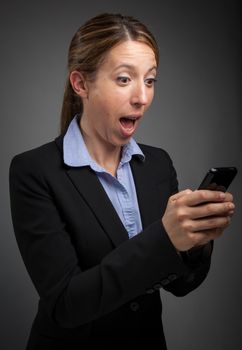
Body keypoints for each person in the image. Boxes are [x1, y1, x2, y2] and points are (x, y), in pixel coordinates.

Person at [9, 13, 235, 350]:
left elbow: (181, 285)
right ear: (81, 84)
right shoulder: (34, 171)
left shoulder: (157, 164)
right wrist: (165, 238)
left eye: (150, 80)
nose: (142, 98)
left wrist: (194, 241)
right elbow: (66, 305)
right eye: (125, 79)